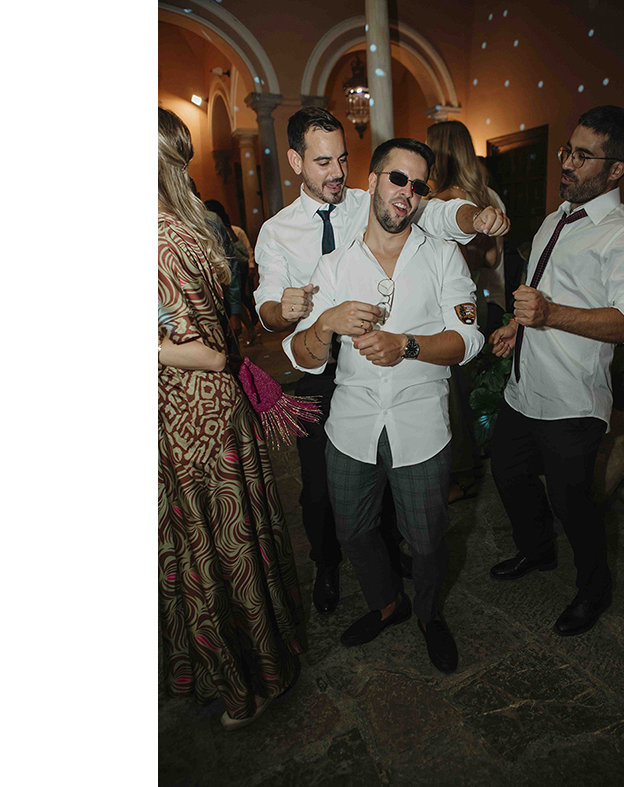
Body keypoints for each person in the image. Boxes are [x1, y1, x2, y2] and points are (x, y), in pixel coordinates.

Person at [253, 107, 509, 619]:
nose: (336, 173)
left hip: (409, 393)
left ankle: (410, 586)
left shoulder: (383, 203)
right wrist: (295, 312)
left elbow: (439, 213)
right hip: (328, 378)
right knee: (325, 500)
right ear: (296, 161)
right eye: (323, 162)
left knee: (414, 516)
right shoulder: (281, 233)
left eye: (342, 160)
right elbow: (271, 313)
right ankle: (340, 574)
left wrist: (474, 218)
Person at [285, 137, 484, 674]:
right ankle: (387, 604)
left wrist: (407, 345)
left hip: (421, 427)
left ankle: (429, 615)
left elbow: (469, 339)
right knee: (352, 530)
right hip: (351, 428)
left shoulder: (442, 256)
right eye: (398, 178)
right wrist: (326, 323)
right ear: (371, 181)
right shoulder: (334, 266)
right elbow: (303, 356)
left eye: (418, 185)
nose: (407, 192)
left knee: (427, 541)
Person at [157, 108, 305, 730]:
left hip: (194, 415)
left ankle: (251, 681)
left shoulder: (159, 240)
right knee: (227, 536)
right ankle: (258, 662)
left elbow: (209, 353)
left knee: (215, 544)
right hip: (205, 412)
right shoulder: (190, 227)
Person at [488, 106, 624, 637]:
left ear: (616, 170)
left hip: (571, 400)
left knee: (573, 503)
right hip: (523, 390)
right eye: (568, 149)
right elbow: (544, 293)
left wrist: (550, 315)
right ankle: (537, 551)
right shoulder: (556, 218)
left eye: (583, 156)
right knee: (509, 474)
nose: (566, 162)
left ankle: (594, 589)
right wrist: (517, 326)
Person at [425, 121, 507, 503]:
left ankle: (461, 474)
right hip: (478, 301)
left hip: (446, 307)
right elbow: (492, 259)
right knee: (469, 389)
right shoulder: (488, 197)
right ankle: (474, 460)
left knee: (451, 396)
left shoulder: (435, 203)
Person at [204, 199, 258, 345]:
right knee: (242, 298)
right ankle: (251, 325)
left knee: (241, 297)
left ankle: (251, 324)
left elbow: (243, 252)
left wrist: (250, 266)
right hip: (231, 274)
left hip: (234, 271)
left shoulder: (225, 228)